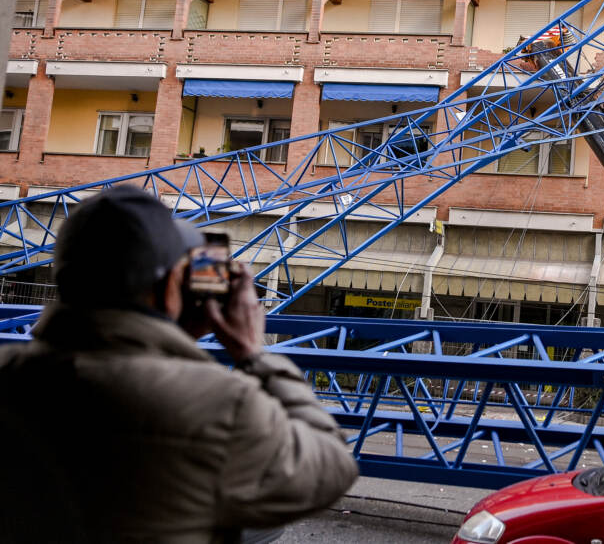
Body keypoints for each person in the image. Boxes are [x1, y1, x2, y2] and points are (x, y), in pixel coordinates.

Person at [0, 185, 358, 542]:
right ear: (174, 282)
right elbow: (332, 468)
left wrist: (171, 339)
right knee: (260, 525)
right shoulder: (219, 403)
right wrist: (252, 352)